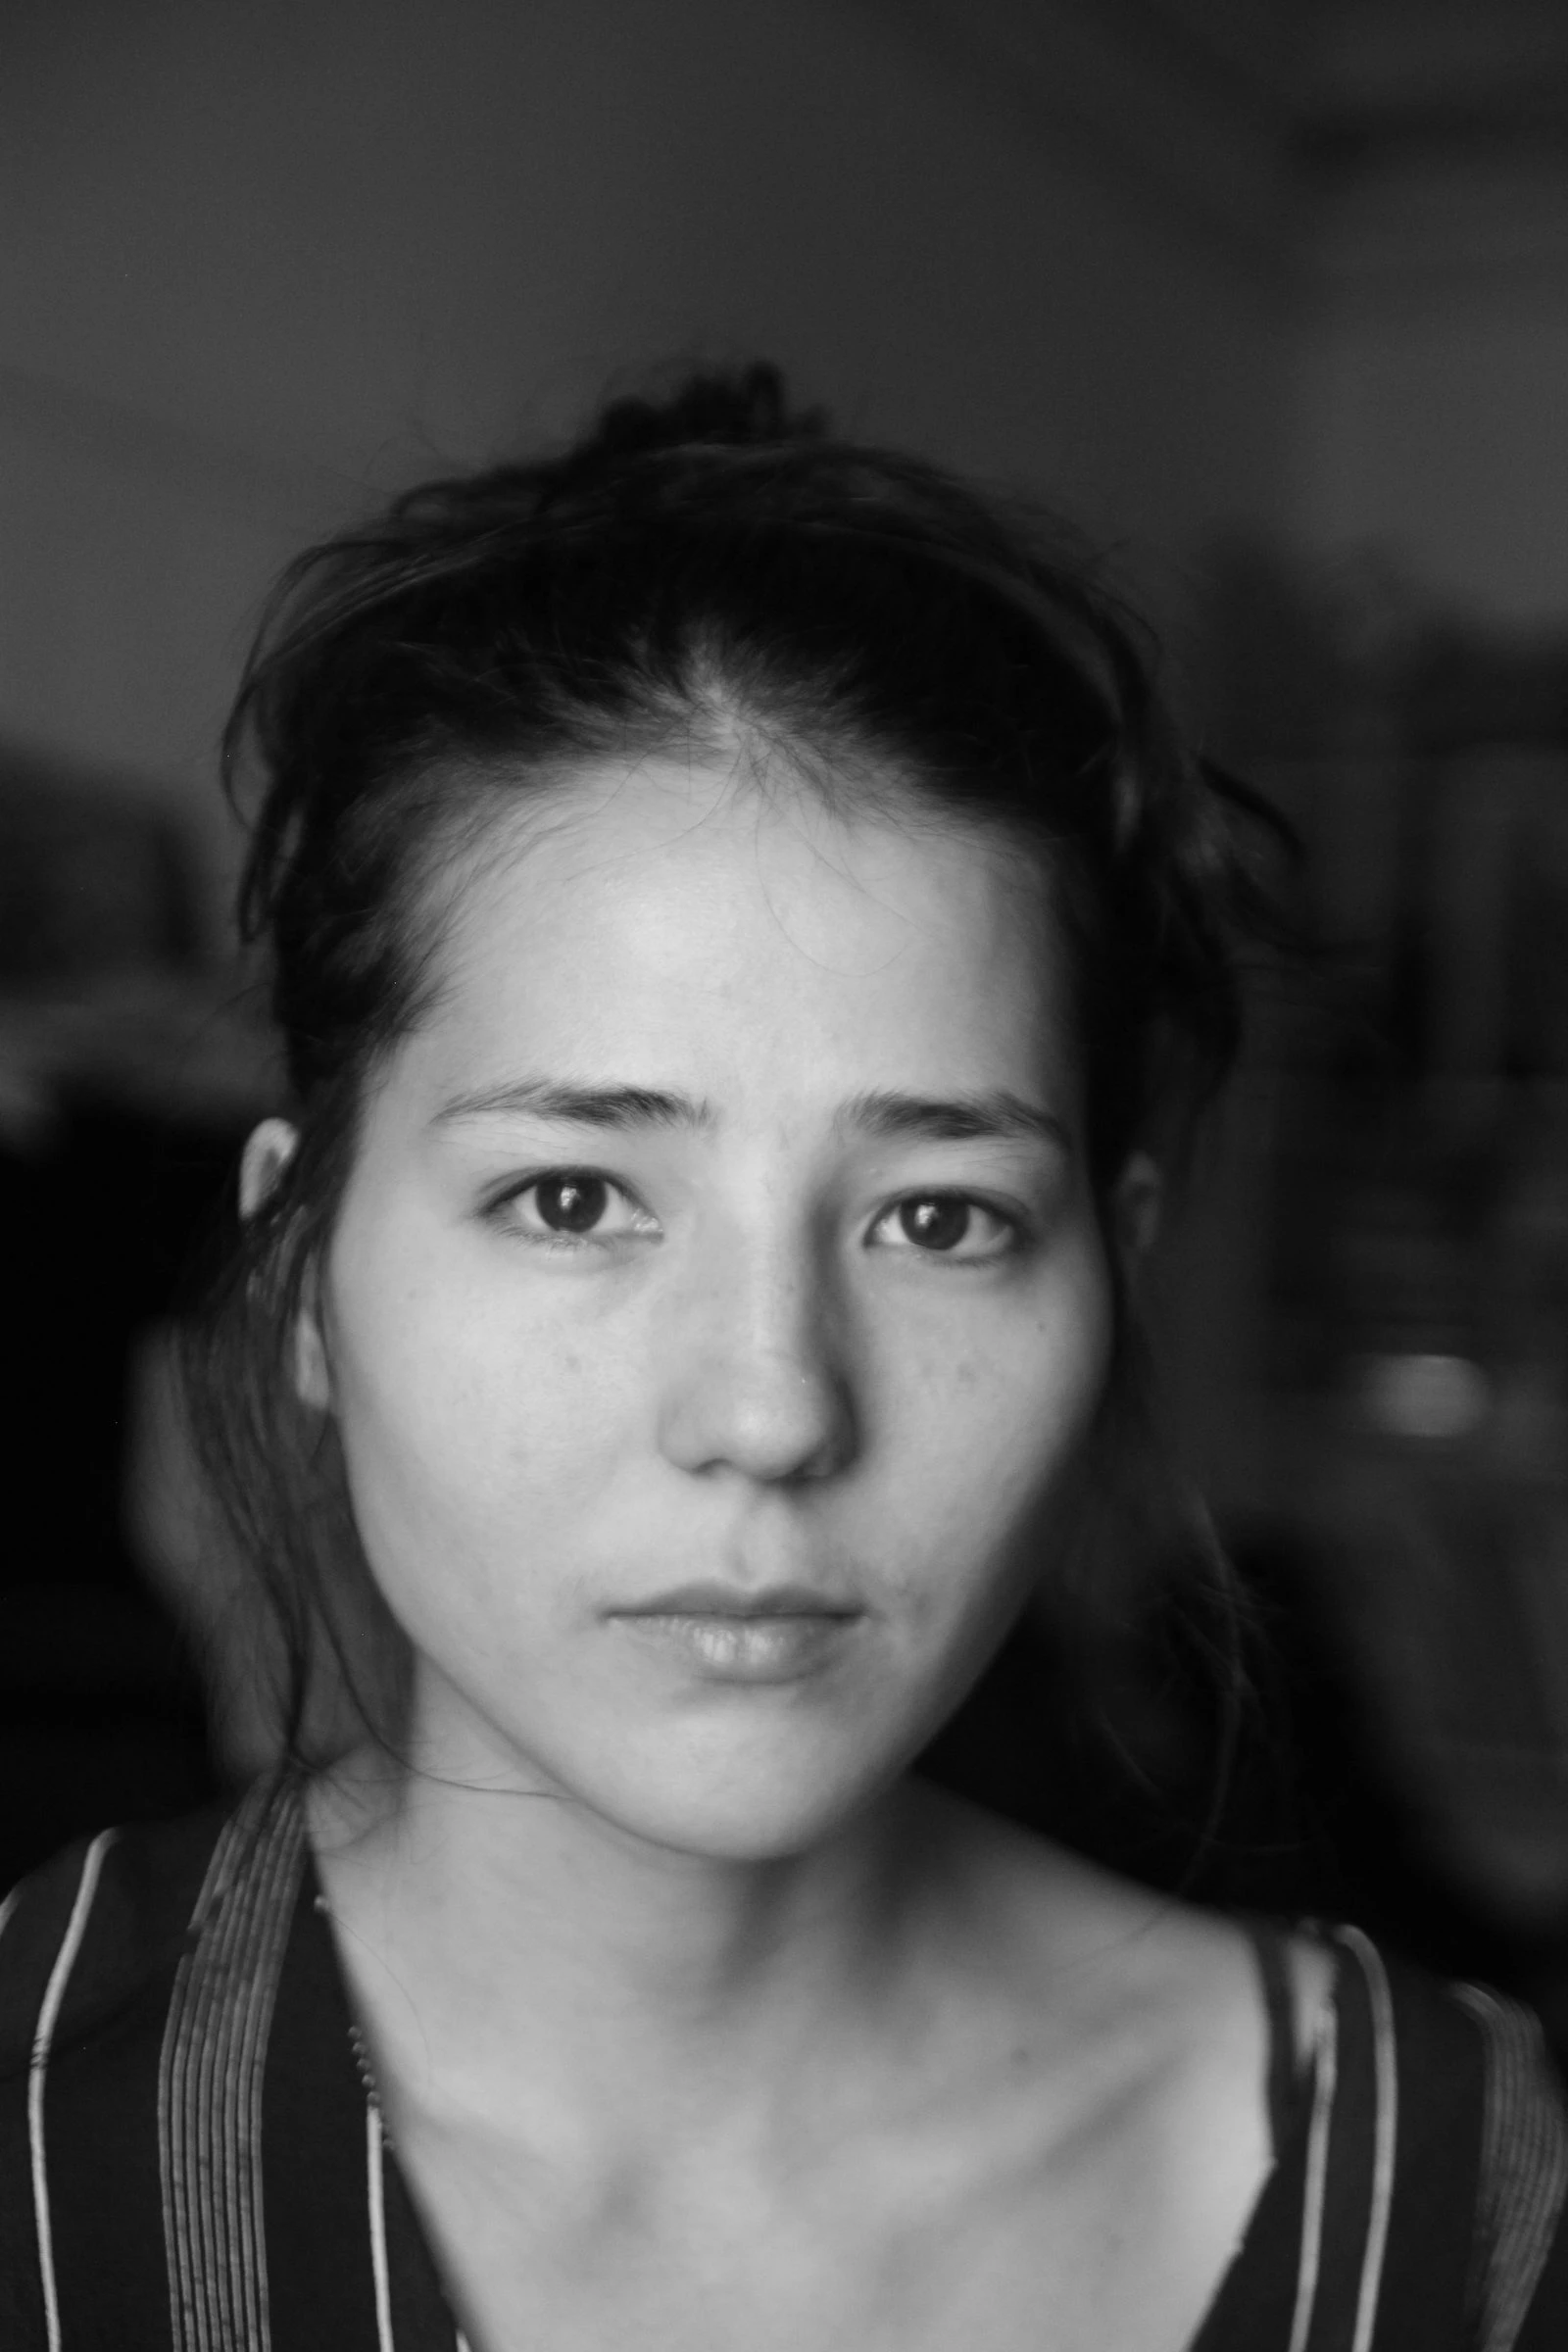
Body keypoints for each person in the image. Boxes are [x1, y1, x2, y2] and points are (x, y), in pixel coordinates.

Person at [1, 366, 1563, 2352]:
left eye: (938, 1219)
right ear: (301, 1272)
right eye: (573, 1197)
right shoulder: (36, 2135)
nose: (769, 1410)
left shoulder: (1446, 2191)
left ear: (1118, 1267)